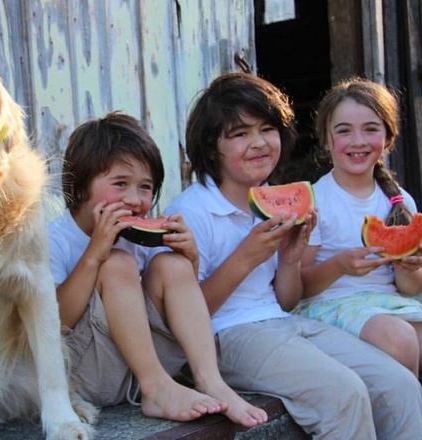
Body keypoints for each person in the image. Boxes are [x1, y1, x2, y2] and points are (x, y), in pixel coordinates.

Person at [164, 71, 422, 439]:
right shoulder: (193, 211)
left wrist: (290, 258)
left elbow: (286, 301)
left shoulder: (276, 197)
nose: (258, 143)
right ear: (212, 148)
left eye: (266, 129)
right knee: (343, 393)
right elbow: (184, 318)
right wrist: (246, 256)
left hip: (283, 322)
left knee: (399, 384)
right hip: (226, 336)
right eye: (240, 134)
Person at [46, 111, 268, 427]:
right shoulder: (55, 238)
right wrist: (95, 254)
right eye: (120, 183)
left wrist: (190, 259)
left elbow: (177, 301)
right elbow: (55, 322)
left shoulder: (139, 236)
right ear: (80, 188)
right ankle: (156, 388)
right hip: (89, 374)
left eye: (145, 187)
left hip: (142, 366)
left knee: (171, 264)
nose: (136, 200)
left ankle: (209, 379)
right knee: (117, 263)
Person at [294, 77, 422, 439]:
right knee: (399, 338)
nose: (357, 141)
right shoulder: (313, 198)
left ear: (387, 138)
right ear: (326, 140)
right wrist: (340, 264)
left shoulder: (399, 200)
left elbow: (411, 288)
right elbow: (298, 286)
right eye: (344, 131)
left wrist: (410, 267)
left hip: (390, 308)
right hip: (331, 307)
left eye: (370, 129)